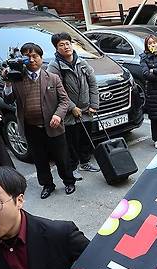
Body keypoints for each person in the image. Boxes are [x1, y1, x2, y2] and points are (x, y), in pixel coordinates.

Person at [2, 42, 75, 199]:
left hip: (53, 126)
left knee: (62, 157)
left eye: (35, 56)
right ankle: (47, 185)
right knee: (40, 159)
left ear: (41, 58)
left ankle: (69, 181)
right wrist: (7, 82)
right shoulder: (17, 79)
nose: (32, 60)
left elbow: (64, 101)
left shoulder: (53, 78)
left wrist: (58, 115)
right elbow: (8, 100)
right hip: (31, 128)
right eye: (28, 57)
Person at [47, 32, 100, 179]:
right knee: (70, 141)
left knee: (86, 138)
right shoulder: (54, 66)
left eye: (67, 43)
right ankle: (73, 167)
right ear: (56, 48)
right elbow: (57, 90)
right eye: (61, 45)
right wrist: (71, 107)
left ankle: (85, 162)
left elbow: (93, 83)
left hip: (86, 109)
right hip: (68, 113)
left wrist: (94, 104)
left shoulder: (81, 62)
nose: (66, 47)